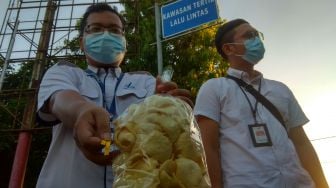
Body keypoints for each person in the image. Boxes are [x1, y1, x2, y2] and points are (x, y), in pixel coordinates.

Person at [35, 3, 192, 188]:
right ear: (82, 41)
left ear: (124, 42)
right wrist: (81, 111)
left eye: (114, 30)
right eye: (96, 28)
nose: (106, 34)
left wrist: (175, 111)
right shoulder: (63, 72)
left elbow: (166, 135)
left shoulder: (148, 83)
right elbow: (59, 98)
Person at [194, 19, 329, 188]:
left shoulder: (281, 89)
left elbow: (302, 143)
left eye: (257, 35)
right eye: (249, 36)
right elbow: (208, 147)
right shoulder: (214, 88)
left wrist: (323, 184)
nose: (256, 40)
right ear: (229, 48)